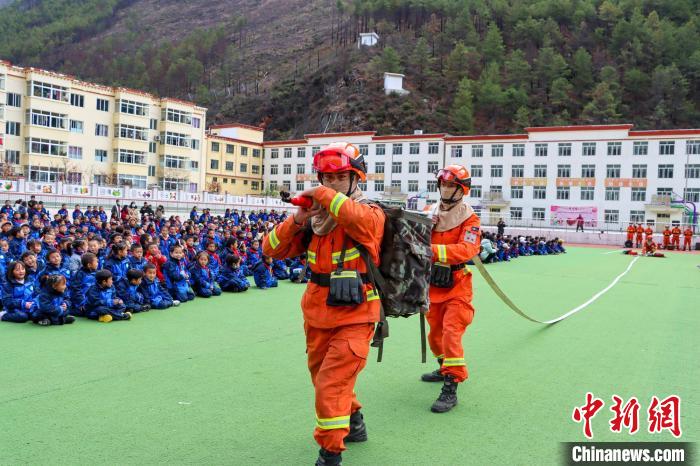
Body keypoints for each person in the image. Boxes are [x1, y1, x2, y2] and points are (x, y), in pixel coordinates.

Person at [262, 141, 384, 466]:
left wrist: (322, 194)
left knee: (330, 384)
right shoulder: (315, 220)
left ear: (356, 179)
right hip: (317, 313)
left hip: (356, 314)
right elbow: (270, 249)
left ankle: (330, 454)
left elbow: (360, 220)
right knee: (323, 378)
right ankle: (354, 421)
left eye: (340, 177)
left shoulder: (370, 212)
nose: (332, 184)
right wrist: (298, 219)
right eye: (327, 178)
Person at [421, 165, 481, 414]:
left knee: (451, 334)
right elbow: (410, 237)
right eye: (443, 184)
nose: (445, 189)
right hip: (432, 284)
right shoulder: (429, 212)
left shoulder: (470, 219)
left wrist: (432, 250)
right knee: (435, 337)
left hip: (457, 285)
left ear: (462, 190)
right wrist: (425, 227)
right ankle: (443, 366)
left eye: (451, 186)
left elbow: (468, 250)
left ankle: (451, 386)